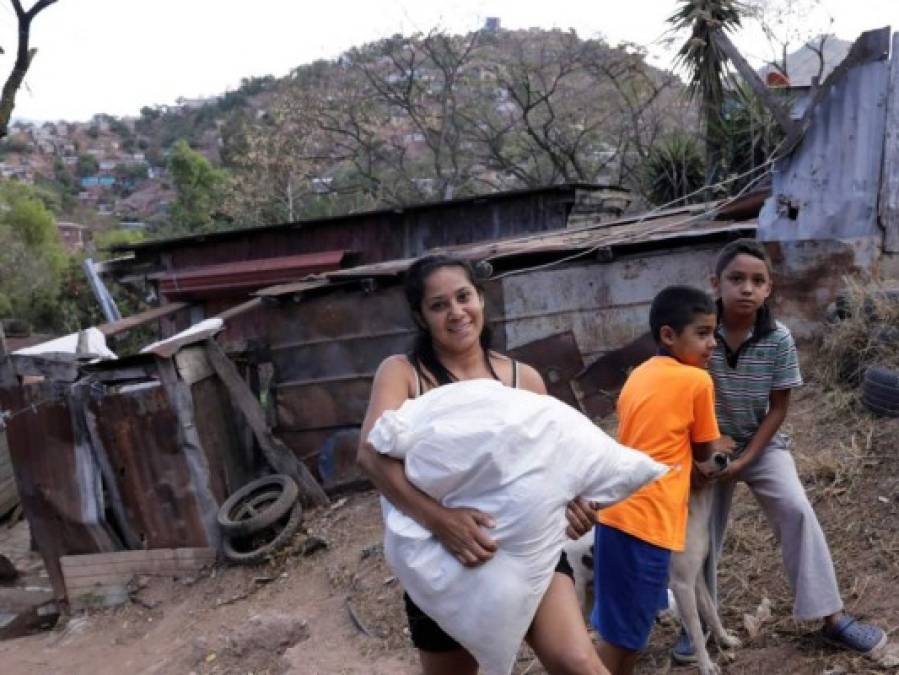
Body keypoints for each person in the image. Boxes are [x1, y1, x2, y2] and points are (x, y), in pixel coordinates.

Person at [356, 254, 607, 675]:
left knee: (578, 663)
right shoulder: (403, 374)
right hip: (445, 562)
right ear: (421, 317)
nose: (456, 312)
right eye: (438, 305)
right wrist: (442, 522)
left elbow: (554, 460)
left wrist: (574, 503)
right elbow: (370, 456)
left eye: (463, 296)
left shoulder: (522, 379)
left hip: (529, 550)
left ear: (481, 300)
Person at [671, 238, 887, 664]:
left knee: (797, 510)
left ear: (770, 289)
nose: (746, 289)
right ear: (715, 283)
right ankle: (692, 624)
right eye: (736, 279)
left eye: (757, 281)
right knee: (699, 535)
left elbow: (779, 407)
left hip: (761, 445)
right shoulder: (697, 334)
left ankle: (832, 617)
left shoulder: (778, 338)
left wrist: (749, 458)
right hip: (705, 448)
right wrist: (703, 456)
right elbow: (678, 397)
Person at [592, 285, 722, 675]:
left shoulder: (637, 376)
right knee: (628, 642)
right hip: (649, 521)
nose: (712, 343)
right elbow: (705, 455)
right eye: (702, 334)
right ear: (668, 335)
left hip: (613, 514)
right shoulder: (698, 382)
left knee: (612, 629)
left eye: (713, 333)